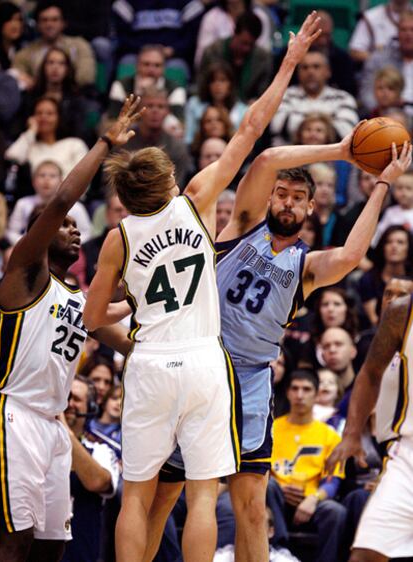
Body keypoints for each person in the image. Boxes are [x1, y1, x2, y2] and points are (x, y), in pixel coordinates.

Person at [82, 14, 324, 562]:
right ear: (166, 183)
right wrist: (287, 61)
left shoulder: (118, 238)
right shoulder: (195, 202)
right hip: (203, 362)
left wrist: (135, 340)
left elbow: (96, 318)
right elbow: (251, 130)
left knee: (137, 500)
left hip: (151, 363)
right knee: (201, 496)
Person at [144, 77, 412, 562]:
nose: (286, 201)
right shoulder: (241, 224)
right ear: (270, 200)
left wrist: (381, 186)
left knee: (250, 504)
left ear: (310, 208)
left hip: (250, 381)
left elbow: (352, 255)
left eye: (296, 198)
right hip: (201, 363)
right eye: (281, 195)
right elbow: (266, 160)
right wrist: (339, 151)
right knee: (168, 495)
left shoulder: (306, 267)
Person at [0, 96, 141, 562]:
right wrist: (105, 143)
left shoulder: (81, 302)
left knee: (51, 546)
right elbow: (61, 199)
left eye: (80, 227)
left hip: (56, 426)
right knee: (14, 542)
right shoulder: (24, 273)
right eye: (67, 227)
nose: (75, 230)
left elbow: (128, 343)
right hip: (15, 414)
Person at [326, 278, 413, 562]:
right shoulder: (402, 313)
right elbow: (370, 373)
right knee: (365, 554)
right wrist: (351, 434)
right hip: (406, 453)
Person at [268, 369, 346, 562]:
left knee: (336, 512)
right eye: (295, 389)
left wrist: (314, 498)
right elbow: (260, 472)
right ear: (287, 392)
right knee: (268, 486)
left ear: (316, 393)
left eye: (306, 389)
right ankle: (280, 552)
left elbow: (333, 481)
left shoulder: (330, 435)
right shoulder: (272, 428)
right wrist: (281, 488)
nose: (300, 395)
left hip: (310, 500)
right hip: (275, 497)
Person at [61, 375, 120, 562]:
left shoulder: (101, 449)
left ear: (91, 407)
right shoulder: (36, 444)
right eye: (65, 396)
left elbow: (98, 482)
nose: (68, 403)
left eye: (76, 399)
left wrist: (64, 431)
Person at [270, 49, 359, 145]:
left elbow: (347, 131)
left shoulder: (343, 98)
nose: (310, 72)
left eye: (316, 67)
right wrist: (325, 124)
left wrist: (303, 124)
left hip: (329, 157)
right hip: (289, 156)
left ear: (328, 71)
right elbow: (278, 126)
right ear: (298, 72)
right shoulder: (284, 95)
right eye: (305, 67)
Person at [11, 0, 96, 89]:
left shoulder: (80, 46)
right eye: (44, 20)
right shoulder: (25, 53)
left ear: (63, 23)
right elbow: (15, 76)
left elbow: (86, 78)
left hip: (74, 97)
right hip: (37, 98)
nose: (49, 24)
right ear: (37, 25)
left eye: (55, 20)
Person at [6, 160, 92, 245]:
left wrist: (67, 244)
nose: (46, 180)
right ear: (33, 181)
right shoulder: (23, 203)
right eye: (42, 175)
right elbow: (12, 232)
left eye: (52, 176)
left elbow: (86, 234)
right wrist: (26, 244)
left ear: (61, 182)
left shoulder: (76, 207)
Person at [5, 96, 89, 179]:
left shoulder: (75, 144)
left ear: (59, 118)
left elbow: (84, 178)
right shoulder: (31, 146)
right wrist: (31, 131)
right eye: (39, 113)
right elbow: (13, 157)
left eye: (50, 113)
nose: (43, 117)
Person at [198, 12, 273, 103]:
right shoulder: (212, 52)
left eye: (251, 45)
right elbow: (201, 85)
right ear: (235, 33)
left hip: (247, 108)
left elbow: (263, 92)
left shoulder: (263, 59)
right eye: (244, 43)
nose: (247, 49)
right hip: (214, 105)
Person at [359, 10, 413, 113]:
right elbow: (367, 94)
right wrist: (383, 113)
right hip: (386, 117)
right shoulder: (378, 59)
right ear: (397, 33)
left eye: (412, 30)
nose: (408, 34)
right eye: (404, 30)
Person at [359, 225, 413, 326]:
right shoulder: (368, 279)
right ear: (383, 247)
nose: (394, 246)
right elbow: (374, 320)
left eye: (400, 242)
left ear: (409, 248)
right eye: (388, 242)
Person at [185, 61, 247, 145]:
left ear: (230, 84)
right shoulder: (194, 105)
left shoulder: (243, 110)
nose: (218, 85)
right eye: (213, 81)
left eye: (222, 80)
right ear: (207, 85)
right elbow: (189, 139)